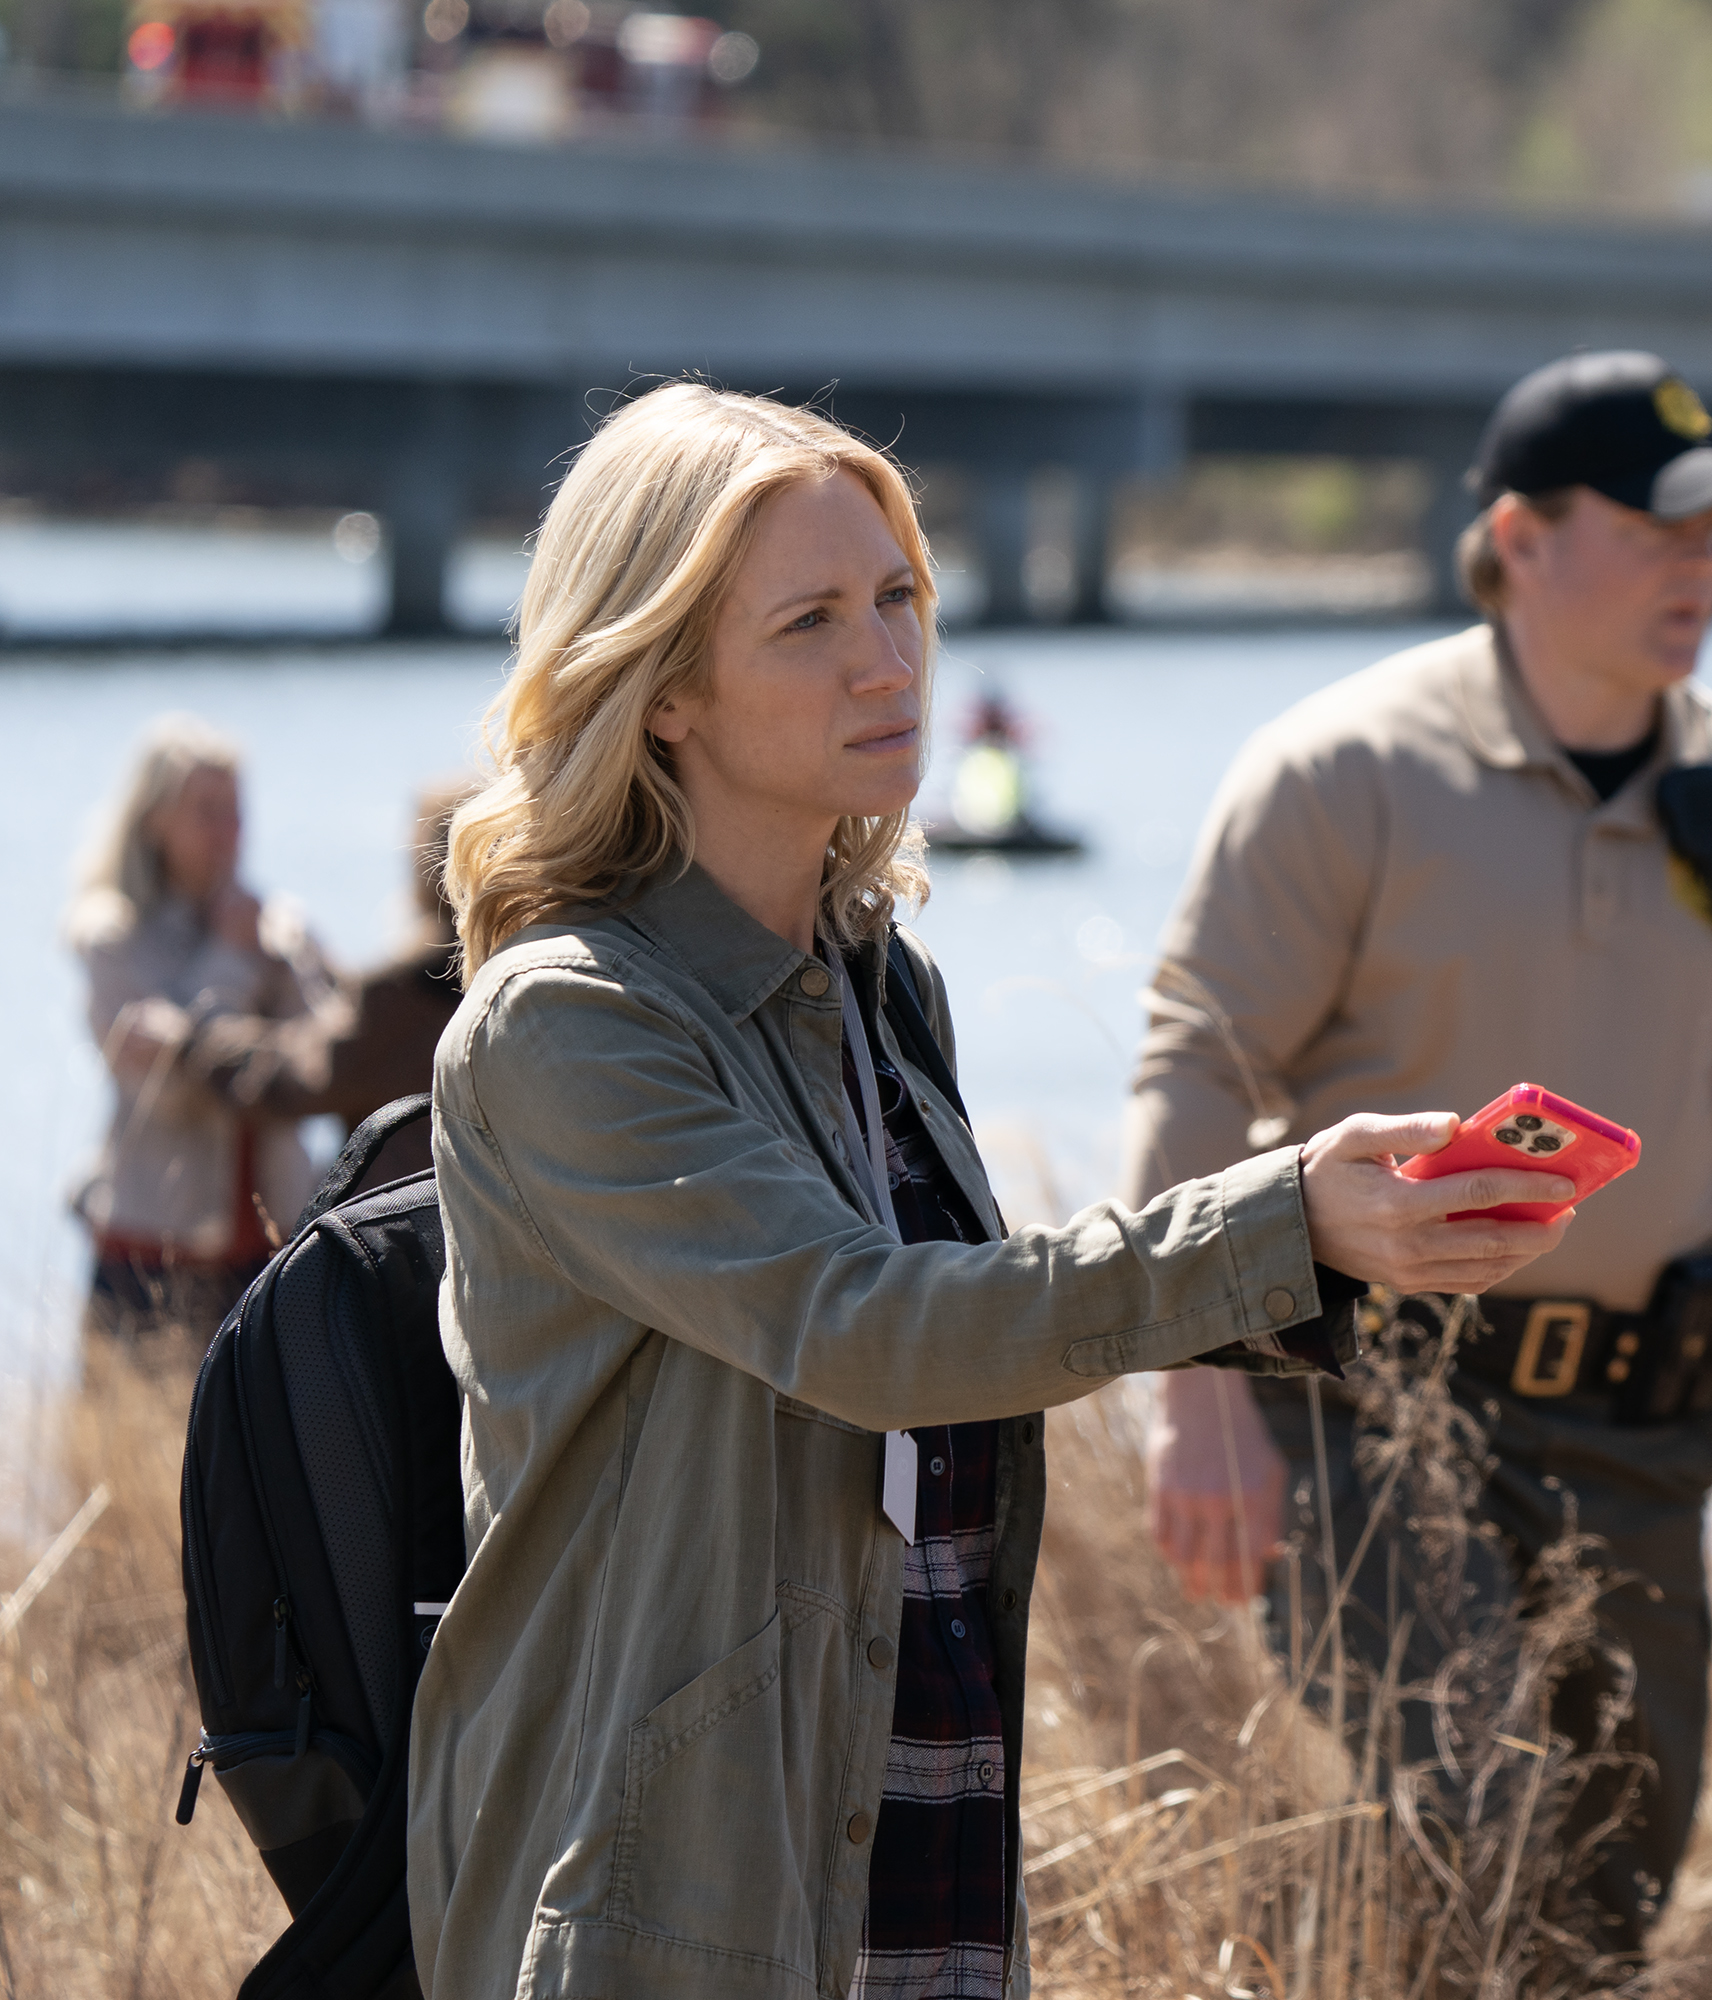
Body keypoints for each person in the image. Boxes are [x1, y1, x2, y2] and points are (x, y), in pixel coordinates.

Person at [408, 384, 1575, 2000]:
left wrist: (1343, 1247)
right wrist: (1273, 1222)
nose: (889, 663)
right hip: (662, 1920)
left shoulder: (882, 988)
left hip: (916, 1850)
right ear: (663, 689)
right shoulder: (570, 1024)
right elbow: (864, 1331)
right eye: (810, 622)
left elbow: (977, 1336)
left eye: (897, 598)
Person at [1124, 349, 1712, 1948]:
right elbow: (1200, 1065)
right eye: (1659, 528)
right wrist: (1193, 1396)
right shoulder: (1343, 773)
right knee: (1473, 1823)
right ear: (1521, 538)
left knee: (1603, 1894)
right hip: (1371, 1409)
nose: (1701, 566)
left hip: (1643, 1435)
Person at [66, 713, 338, 1349]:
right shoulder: (112, 936)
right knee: (124, 1441)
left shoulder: (279, 926)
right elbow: (170, 1091)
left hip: (273, 1234)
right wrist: (229, 959)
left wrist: (275, 967)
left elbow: (329, 1062)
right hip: (150, 1242)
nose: (229, 832)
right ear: (154, 819)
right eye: (207, 811)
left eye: (236, 811)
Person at [189, 776, 473, 1188]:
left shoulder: (399, 996)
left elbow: (285, 1081)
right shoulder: (525, 977)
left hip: (404, 1235)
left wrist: (202, 1036)